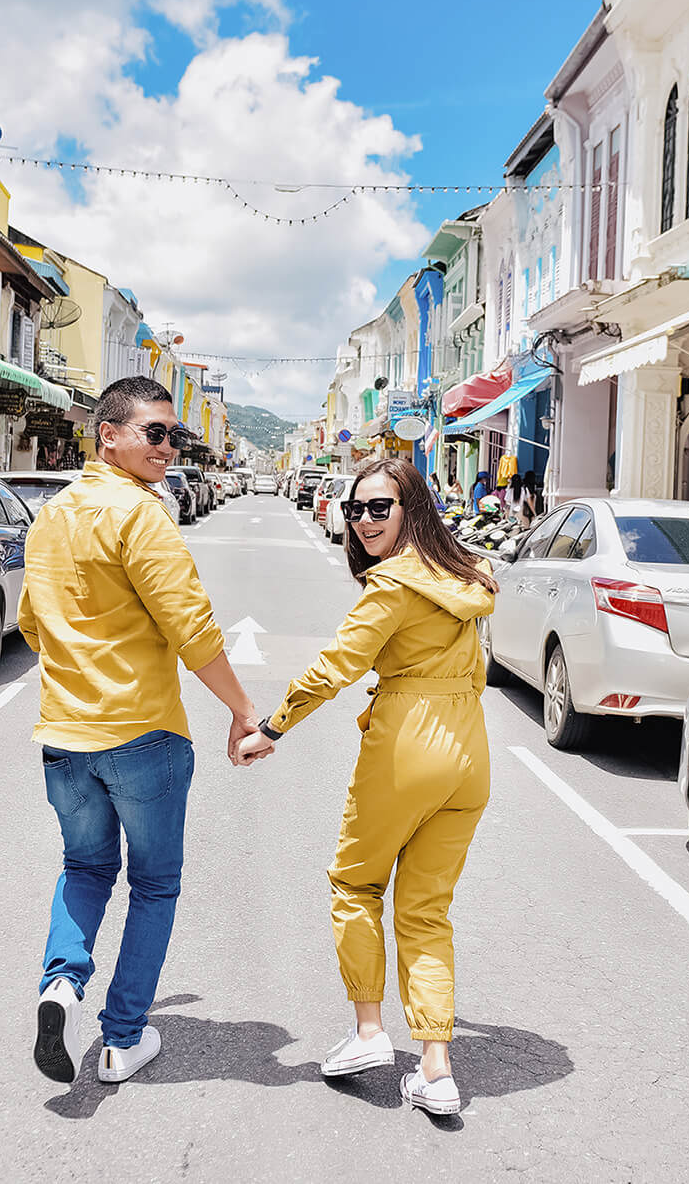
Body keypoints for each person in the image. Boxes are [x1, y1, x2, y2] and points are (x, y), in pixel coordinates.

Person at [236, 455, 498, 1118]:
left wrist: (273, 724)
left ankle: (370, 1031)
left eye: (380, 507)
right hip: (469, 752)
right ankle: (436, 1070)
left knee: (356, 884)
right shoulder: (466, 575)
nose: (362, 520)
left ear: (413, 510)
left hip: (407, 743)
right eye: (355, 510)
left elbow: (336, 667)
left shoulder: (393, 588)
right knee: (426, 911)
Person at [18, 374, 258, 1087]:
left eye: (173, 434)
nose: (166, 446)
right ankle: (122, 1039)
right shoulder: (142, 515)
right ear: (109, 435)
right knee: (154, 885)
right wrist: (243, 711)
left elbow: (32, 622)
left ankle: (60, 986)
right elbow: (191, 627)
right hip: (142, 735)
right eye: (153, 433)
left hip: (64, 737)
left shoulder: (54, 515)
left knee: (86, 868)